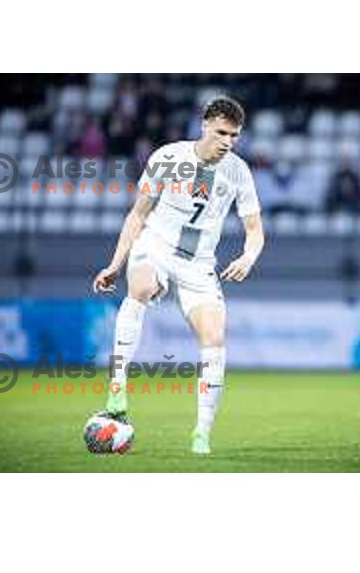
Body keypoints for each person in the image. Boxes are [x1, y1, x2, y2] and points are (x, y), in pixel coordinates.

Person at [92, 97, 264, 455]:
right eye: (221, 133)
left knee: (214, 338)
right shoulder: (168, 158)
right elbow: (137, 216)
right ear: (204, 125)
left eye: (234, 136)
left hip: (198, 263)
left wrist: (249, 256)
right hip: (155, 245)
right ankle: (117, 390)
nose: (227, 142)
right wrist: (115, 263)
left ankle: (201, 434)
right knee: (139, 286)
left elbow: (254, 228)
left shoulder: (238, 171)